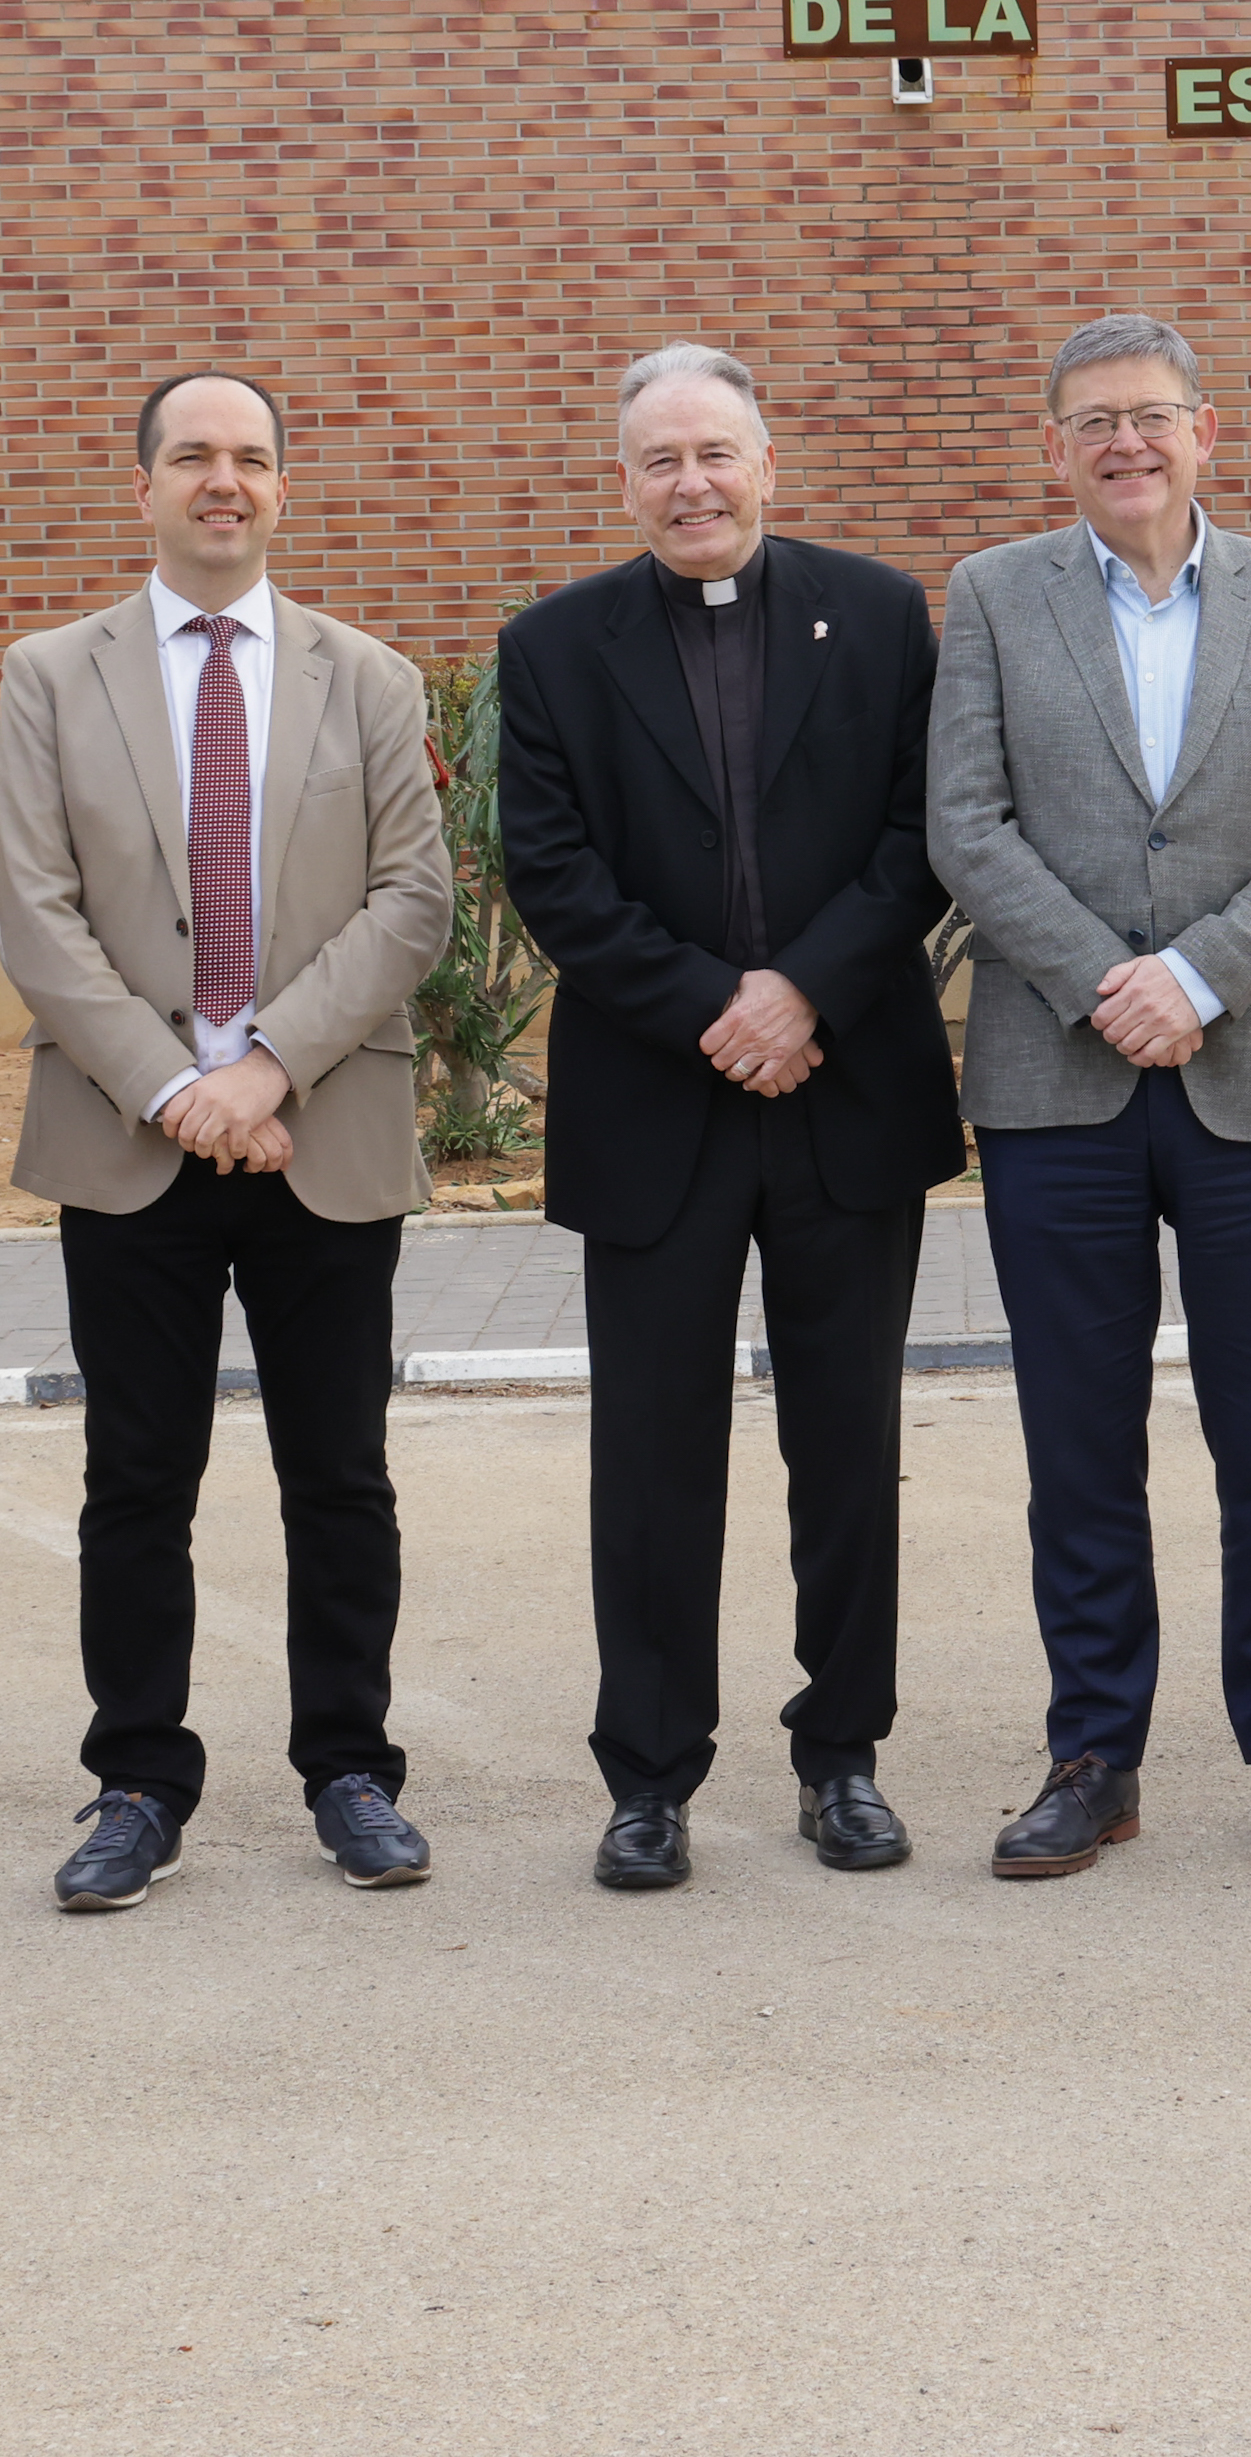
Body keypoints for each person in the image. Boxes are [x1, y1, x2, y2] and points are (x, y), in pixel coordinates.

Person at [497, 344, 959, 1890]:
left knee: (848, 1450)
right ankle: (650, 1775)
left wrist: (804, 994)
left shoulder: (884, 617)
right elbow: (552, 872)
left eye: (716, 454)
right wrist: (719, 1004)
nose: (691, 484)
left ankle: (844, 1756)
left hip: (846, 1093)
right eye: (659, 461)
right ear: (621, 481)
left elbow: (922, 835)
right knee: (650, 1460)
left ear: (769, 462)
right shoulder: (556, 646)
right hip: (656, 1105)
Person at [0, 368, 454, 1907]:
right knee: (138, 1479)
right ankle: (137, 1780)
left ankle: (349, 1769)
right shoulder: (52, 675)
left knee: (342, 1477)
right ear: (143, 486)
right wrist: (174, 1086)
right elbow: (36, 915)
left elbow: (414, 902)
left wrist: (261, 1069)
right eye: (192, 455)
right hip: (132, 1140)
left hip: (321, 1129)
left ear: (281, 488)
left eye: (251, 457)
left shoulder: (366, 678)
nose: (223, 481)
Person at [927, 312, 1251, 1881]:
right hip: (1058, 1081)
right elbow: (965, 823)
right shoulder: (989, 598)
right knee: (1079, 1444)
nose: (1128, 443)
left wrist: (1195, 978)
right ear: (1056, 450)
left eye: (1153, 416)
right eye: (1095, 422)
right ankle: (1093, 1754)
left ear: (1205, 429)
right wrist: (1102, 980)